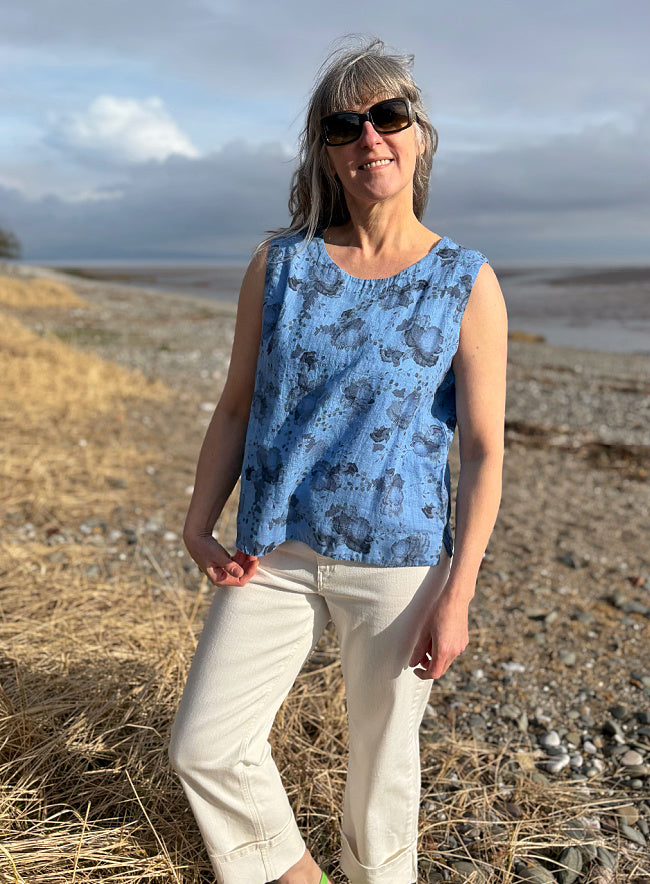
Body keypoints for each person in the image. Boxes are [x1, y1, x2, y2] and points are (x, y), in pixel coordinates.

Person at [169, 37, 507, 884]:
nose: (370, 138)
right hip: (273, 552)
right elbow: (237, 405)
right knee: (205, 744)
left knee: (383, 777)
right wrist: (197, 523)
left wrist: (459, 594)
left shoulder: (464, 280)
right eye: (345, 126)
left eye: (389, 116)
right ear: (325, 151)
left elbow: (483, 450)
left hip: (401, 560)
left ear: (419, 134)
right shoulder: (278, 266)